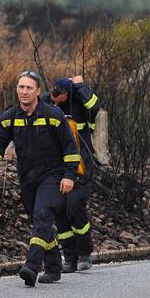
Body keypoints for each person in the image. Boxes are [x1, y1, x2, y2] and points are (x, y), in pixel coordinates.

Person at [0, 70, 81, 287]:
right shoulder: (9, 117)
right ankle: (53, 268)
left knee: (42, 215)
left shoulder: (53, 115)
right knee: (39, 222)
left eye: (29, 88)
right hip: (27, 178)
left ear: (38, 91)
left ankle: (31, 266)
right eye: (21, 87)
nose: (24, 92)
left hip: (53, 175)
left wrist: (69, 176)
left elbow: (70, 148)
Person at [42, 75, 100, 273]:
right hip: (57, 165)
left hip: (81, 165)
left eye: (60, 98)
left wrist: (80, 85)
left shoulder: (81, 104)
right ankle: (70, 257)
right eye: (53, 98)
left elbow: (94, 106)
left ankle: (85, 252)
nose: (55, 102)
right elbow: (30, 102)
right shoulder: (49, 102)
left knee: (74, 205)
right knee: (60, 210)